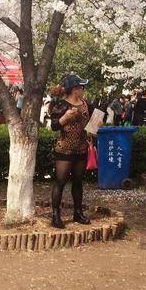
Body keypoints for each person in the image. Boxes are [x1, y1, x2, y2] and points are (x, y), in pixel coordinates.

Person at [49, 73, 91, 228]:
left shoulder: (85, 104)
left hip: (81, 149)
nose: (83, 90)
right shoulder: (61, 105)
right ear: (74, 89)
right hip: (64, 149)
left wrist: (96, 126)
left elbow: (91, 122)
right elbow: (54, 126)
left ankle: (78, 213)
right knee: (60, 182)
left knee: (78, 182)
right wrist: (64, 117)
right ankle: (55, 215)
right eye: (81, 87)